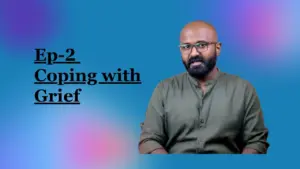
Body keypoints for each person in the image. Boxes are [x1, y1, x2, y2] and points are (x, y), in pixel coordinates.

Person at [138, 21, 269, 154]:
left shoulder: (243, 90)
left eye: (202, 45)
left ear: (218, 48)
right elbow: (149, 139)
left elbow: (256, 141)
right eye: (186, 47)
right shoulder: (164, 89)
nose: (194, 53)